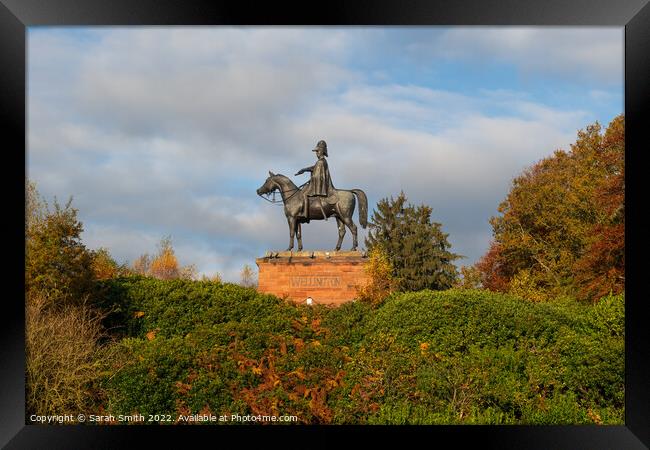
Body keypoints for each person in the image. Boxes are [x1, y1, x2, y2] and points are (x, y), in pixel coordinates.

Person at [295, 140, 335, 220]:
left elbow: (317, 175)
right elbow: (314, 168)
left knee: (304, 194)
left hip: (318, 185)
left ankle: (305, 214)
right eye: (316, 152)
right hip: (316, 183)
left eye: (318, 151)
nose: (316, 153)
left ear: (322, 151)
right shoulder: (320, 162)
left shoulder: (321, 162)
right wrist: (304, 169)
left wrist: (311, 179)